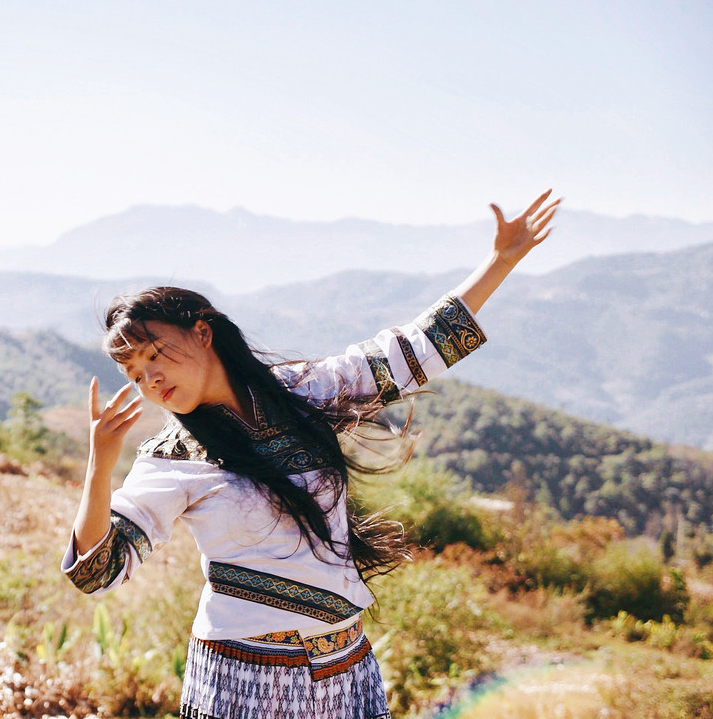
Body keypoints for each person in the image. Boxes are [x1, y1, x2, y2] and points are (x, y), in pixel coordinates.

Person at [62, 191, 560, 719]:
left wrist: (501, 261)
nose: (150, 379)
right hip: (243, 679)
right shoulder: (171, 457)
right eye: (135, 374)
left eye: (155, 355)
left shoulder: (304, 392)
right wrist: (101, 463)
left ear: (202, 332)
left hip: (345, 667)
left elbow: (412, 350)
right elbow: (98, 572)